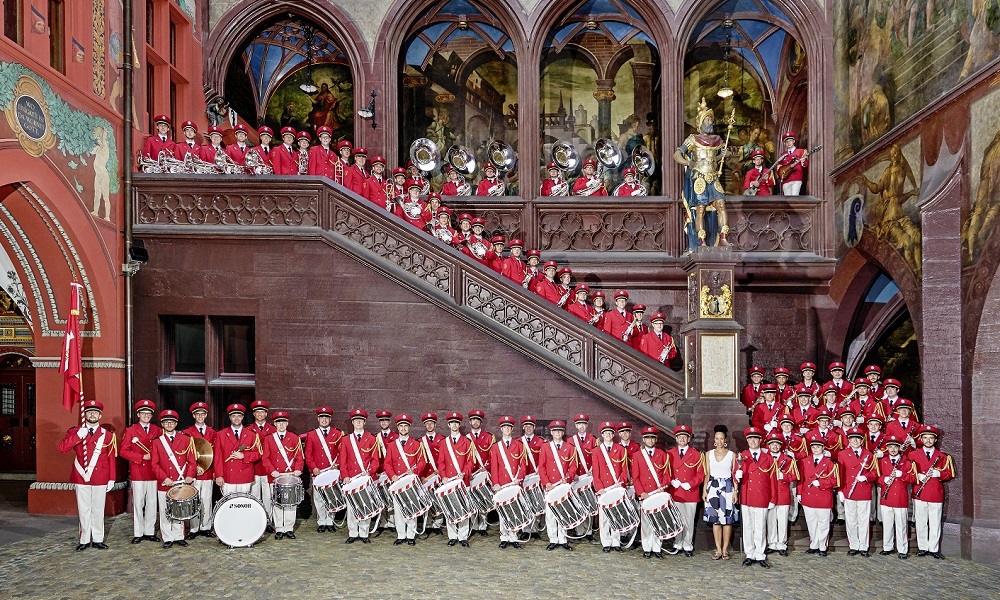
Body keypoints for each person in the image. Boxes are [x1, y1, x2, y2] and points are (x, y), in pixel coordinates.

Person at [59, 399, 117, 551]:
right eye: (89, 412)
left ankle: (98, 539)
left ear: (100, 415)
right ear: (85, 414)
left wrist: (112, 478)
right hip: (81, 475)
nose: (92, 414)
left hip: (100, 476)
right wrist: (78, 436)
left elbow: (111, 458)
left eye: (95, 412)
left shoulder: (108, 435)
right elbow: (63, 448)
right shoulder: (75, 432)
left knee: (98, 509)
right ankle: (84, 539)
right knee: (83, 509)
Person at [673, 97, 730, 246]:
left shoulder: (717, 139)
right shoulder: (692, 139)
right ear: (701, 122)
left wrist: (724, 155)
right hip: (700, 177)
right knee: (701, 209)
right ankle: (701, 240)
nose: (711, 123)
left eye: (711, 120)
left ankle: (723, 237)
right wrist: (688, 162)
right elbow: (677, 154)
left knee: (721, 204)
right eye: (708, 120)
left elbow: (723, 155)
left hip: (713, 177)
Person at [151, 409, 195, 549]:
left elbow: (192, 461)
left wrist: (189, 475)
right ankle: (167, 537)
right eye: (166, 422)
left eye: (172, 422)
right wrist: (164, 478)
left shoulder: (187, 439)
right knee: (165, 510)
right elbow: (154, 464)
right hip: (166, 482)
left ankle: (179, 536)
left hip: (181, 481)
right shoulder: (157, 442)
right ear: (162, 424)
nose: (169, 424)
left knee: (180, 509)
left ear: (176, 423)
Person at [909, 425, 955, 559]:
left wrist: (938, 474)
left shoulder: (942, 456)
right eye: (925, 438)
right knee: (921, 522)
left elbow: (949, 473)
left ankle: (934, 549)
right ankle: (922, 547)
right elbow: (908, 471)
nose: (928, 441)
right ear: (921, 439)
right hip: (920, 493)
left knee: (935, 522)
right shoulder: (913, 455)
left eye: (931, 438)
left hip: (935, 494)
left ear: (935, 440)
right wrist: (917, 476)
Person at [120, 399, 161, 545]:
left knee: (151, 503)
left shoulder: (158, 430)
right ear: (138, 414)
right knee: (138, 503)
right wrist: (141, 456)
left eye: (148, 413)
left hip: (153, 472)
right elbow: (123, 451)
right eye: (143, 413)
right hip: (138, 471)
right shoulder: (131, 431)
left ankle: (149, 531)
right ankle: (138, 533)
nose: (146, 415)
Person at [734, 427, 777, 568]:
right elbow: (735, 475)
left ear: (760, 440)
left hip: (762, 496)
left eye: (755, 439)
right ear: (747, 440)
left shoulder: (768, 458)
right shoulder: (742, 456)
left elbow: (773, 480)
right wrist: (737, 475)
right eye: (750, 439)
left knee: (760, 527)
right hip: (746, 496)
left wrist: (773, 498)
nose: (753, 441)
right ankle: (749, 553)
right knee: (747, 527)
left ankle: (760, 554)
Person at [383, 414, 427, 546]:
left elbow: (422, 461)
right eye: (401, 426)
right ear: (397, 427)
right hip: (397, 482)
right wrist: (392, 476)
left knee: (411, 507)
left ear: (409, 428)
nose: (403, 428)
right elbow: (387, 464)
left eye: (405, 426)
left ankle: (411, 535)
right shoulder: (391, 445)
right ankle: (401, 535)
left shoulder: (416, 444)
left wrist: (414, 471)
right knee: (398, 508)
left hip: (410, 482)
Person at [339, 409, 380, 544]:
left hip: (365, 478)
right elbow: (343, 460)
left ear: (364, 422)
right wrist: (345, 476)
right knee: (352, 507)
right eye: (356, 420)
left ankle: (364, 533)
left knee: (365, 504)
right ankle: (352, 532)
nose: (358, 422)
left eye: (360, 420)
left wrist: (370, 472)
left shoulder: (372, 438)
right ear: (352, 422)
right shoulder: (346, 440)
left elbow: (375, 460)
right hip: (351, 478)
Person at [538, 420, 578, 551]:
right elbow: (542, 466)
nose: (557, 433)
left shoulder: (570, 447)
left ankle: (563, 538)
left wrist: (567, 479)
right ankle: (553, 539)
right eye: (555, 431)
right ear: (551, 432)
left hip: (563, 485)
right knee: (550, 514)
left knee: (563, 512)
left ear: (563, 432)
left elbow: (573, 466)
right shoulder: (545, 447)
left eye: (560, 431)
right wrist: (546, 482)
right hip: (550, 485)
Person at [263, 411, 304, 540]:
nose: (281, 425)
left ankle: (289, 528)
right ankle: (279, 528)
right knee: (277, 503)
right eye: (278, 422)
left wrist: (298, 469)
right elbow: (265, 458)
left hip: (290, 475)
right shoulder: (269, 439)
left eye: (283, 422)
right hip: (276, 476)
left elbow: (299, 458)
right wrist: (271, 471)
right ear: (275, 424)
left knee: (291, 503)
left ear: (287, 423)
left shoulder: (294, 438)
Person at [631, 426, 671, 559]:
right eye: (647, 438)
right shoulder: (637, 455)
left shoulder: (663, 454)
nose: (650, 440)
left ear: (656, 439)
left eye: (652, 438)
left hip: (658, 493)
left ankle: (657, 547)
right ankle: (647, 547)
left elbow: (666, 475)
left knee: (658, 520)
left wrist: (663, 488)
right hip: (645, 494)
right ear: (643, 439)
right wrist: (641, 492)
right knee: (647, 522)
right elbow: (635, 477)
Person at [838, 427, 878, 557]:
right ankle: (853, 545)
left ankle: (863, 546)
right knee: (851, 520)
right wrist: (840, 491)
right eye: (852, 438)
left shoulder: (869, 454)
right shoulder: (842, 454)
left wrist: (866, 477)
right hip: (849, 490)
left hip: (863, 491)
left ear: (862, 440)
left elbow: (875, 473)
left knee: (863, 520)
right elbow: (840, 474)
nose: (855, 441)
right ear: (849, 440)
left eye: (858, 439)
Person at [304, 406, 345, 533]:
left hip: (331, 472)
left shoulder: (337, 434)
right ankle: (321, 521)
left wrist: (337, 464)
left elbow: (342, 453)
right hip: (318, 472)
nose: (324, 420)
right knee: (319, 498)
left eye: (326, 418)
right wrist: (314, 468)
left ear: (330, 419)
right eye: (322, 417)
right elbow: (308, 454)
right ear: (318, 419)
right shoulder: (311, 434)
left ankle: (330, 521)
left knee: (331, 497)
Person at [798, 432, 839, 556]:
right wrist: (799, 493)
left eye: (818, 447)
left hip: (823, 497)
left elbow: (834, 480)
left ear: (823, 448)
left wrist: (821, 483)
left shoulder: (829, 463)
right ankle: (813, 544)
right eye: (813, 447)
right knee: (811, 522)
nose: (815, 449)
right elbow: (801, 479)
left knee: (823, 523)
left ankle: (822, 546)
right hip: (808, 495)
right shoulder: (805, 461)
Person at [666, 425, 704, 556]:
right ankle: (677, 543)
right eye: (679, 437)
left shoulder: (696, 454)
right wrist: (671, 480)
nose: (682, 439)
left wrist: (691, 484)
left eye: (684, 437)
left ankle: (687, 545)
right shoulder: (670, 453)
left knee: (689, 520)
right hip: (676, 492)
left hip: (690, 493)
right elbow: (666, 471)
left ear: (688, 439)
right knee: (677, 519)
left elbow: (701, 474)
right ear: (676, 439)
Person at [703, 424, 738, 560]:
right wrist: (704, 491)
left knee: (727, 521)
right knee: (715, 520)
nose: (719, 441)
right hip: (713, 487)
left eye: (721, 439)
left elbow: (734, 475)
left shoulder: (732, 455)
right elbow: (707, 474)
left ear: (725, 440)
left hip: (728, 487)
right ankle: (717, 549)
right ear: (714, 440)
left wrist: (735, 491)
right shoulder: (708, 454)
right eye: (717, 438)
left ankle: (725, 550)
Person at [182, 401, 217, 538]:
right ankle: (194, 528)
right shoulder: (187, 432)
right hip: (193, 473)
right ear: (194, 416)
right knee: (194, 500)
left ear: (206, 415)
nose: (200, 416)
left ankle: (206, 527)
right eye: (198, 414)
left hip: (207, 472)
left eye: (203, 414)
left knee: (207, 500)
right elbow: (184, 453)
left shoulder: (213, 432)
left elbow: (215, 453)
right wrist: (195, 467)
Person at [592, 421, 628, 552]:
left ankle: (616, 542)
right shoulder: (596, 451)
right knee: (604, 517)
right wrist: (599, 488)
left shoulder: (620, 449)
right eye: (605, 433)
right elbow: (596, 472)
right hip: (603, 489)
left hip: (616, 488)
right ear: (602, 435)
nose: (608, 435)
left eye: (610, 433)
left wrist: (621, 482)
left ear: (613, 435)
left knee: (616, 515)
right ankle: (606, 542)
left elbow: (624, 470)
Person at [440, 412, 475, 547]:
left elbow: (470, 461)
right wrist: (443, 476)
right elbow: (441, 462)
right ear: (449, 425)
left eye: (456, 423)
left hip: (462, 481)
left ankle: (463, 536)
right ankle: (452, 536)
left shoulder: (467, 442)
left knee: (463, 508)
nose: (454, 425)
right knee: (450, 507)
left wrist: (465, 473)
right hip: (449, 481)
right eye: (452, 423)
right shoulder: (444, 443)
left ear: (459, 425)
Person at [213, 403, 262, 495]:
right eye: (234, 416)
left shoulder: (252, 435)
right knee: (229, 504)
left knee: (244, 505)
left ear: (243, 417)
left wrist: (244, 455)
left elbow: (258, 454)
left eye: (239, 416)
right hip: (228, 476)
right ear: (230, 417)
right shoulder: (221, 434)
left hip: (245, 475)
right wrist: (219, 475)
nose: (236, 418)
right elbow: (218, 457)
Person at [877, 435, 913, 558]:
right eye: (890, 447)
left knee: (901, 525)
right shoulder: (882, 462)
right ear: (886, 448)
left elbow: (913, 478)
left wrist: (902, 474)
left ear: (899, 448)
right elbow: (876, 477)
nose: (892, 449)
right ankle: (888, 547)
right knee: (887, 524)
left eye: (895, 447)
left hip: (900, 498)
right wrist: (883, 479)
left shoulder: (906, 463)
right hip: (886, 497)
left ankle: (902, 549)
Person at [765, 431, 798, 556]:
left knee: (783, 520)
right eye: (772, 444)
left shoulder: (787, 459)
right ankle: (772, 543)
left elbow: (795, 475)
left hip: (783, 493)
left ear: (780, 446)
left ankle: (782, 544)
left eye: (777, 444)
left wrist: (783, 476)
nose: (774, 446)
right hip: (769, 494)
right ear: (768, 445)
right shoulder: (765, 458)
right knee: (771, 520)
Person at [247, 400, 276, 522]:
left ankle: (268, 520)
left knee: (268, 497)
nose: (260, 414)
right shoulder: (248, 430)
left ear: (266, 413)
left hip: (269, 470)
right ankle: (256, 521)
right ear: (253, 414)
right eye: (257, 412)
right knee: (254, 496)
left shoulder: (273, 429)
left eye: (262, 412)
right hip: (254, 468)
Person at [467, 410, 494, 537]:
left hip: (484, 473)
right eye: (473, 420)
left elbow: (493, 456)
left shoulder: (489, 437)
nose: (475, 422)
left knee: (483, 498)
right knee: (472, 500)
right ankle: (474, 525)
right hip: (471, 474)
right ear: (470, 421)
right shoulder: (465, 438)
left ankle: (482, 526)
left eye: (478, 420)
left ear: (481, 422)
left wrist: (486, 467)